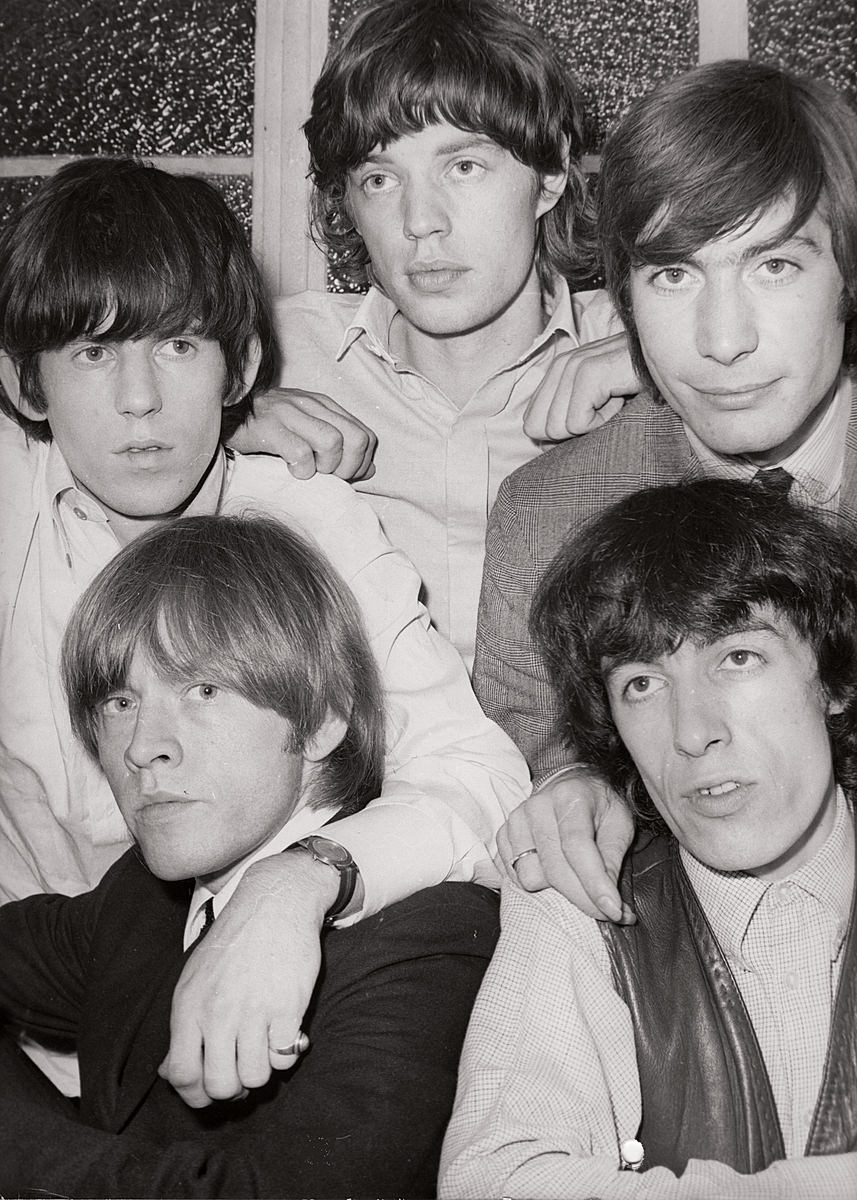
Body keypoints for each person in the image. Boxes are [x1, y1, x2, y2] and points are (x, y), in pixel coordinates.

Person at [0, 156, 527, 1101]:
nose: (138, 403)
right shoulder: (12, 502)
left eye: (178, 346)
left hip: (264, 1029)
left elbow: (477, 779)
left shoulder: (309, 518)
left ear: (240, 364)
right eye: (91, 352)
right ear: (24, 386)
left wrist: (301, 882)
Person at [0, 512, 499, 1197]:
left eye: (202, 690)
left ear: (323, 718)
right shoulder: (149, 894)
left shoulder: (426, 942)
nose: (143, 746)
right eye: (120, 701)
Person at [473, 59, 857, 920]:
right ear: (624, 300)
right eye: (674, 276)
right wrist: (571, 777)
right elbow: (531, 721)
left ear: (847, 281)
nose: (723, 341)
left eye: (775, 267)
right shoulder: (548, 517)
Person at [441, 479, 857, 1199]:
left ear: (834, 679)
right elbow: (494, 1182)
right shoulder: (581, 896)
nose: (692, 732)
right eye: (640, 683)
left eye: (736, 658)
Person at [271, 0, 625, 666]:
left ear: (549, 177)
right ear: (344, 202)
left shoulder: (645, 344)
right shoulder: (274, 355)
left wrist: (682, 372)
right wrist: (209, 421)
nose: (421, 221)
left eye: (462, 167)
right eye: (379, 179)